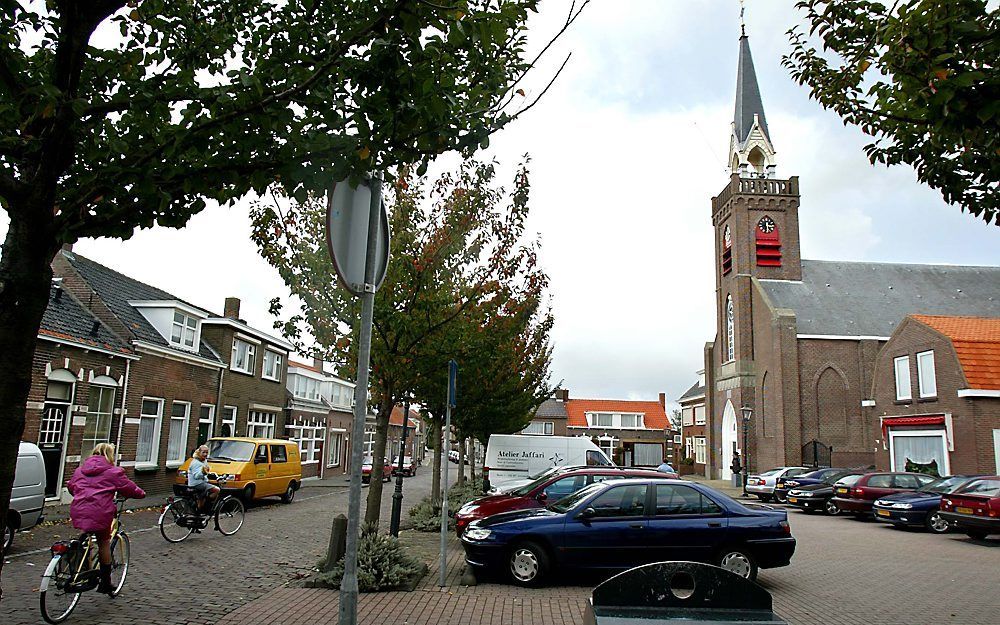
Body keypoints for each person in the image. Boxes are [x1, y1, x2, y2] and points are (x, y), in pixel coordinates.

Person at [67, 443, 145, 595]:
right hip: (101, 512)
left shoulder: (80, 470)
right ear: (110, 455)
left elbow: (71, 487)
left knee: (87, 536)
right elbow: (129, 488)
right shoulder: (113, 472)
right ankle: (105, 583)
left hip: (79, 509)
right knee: (104, 542)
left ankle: (86, 570)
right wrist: (141, 494)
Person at [188, 444, 220, 512]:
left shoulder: (203, 460)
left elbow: (206, 470)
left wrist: (210, 474)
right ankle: (207, 505)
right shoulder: (196, 462)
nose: (205, 454)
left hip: (201, 482)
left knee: (202, 498)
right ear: (199, 452)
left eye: (207, 452)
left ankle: (198, 511)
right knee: (217, 490)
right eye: (203, 452)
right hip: (197, 484)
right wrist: (203, 472)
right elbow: (196, 476)